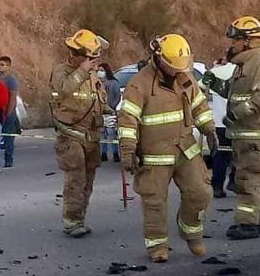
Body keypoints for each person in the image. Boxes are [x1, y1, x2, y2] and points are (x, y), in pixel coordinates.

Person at [120, 35, 218, 263]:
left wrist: (209, 129)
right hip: (154, 155)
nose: (177, 71)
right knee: (154, 203)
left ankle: (191, 232)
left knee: (201, 192)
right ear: (158, 58)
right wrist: (128, 150)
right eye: (173, 67)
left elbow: (199, 105)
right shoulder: (139, 83)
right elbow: (128, 120)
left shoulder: (185, 78)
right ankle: (157, 246)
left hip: (185, 149)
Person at [203, 16, 260, 241]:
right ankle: (258, 220)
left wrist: (237, 113)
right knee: (255, 180)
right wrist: (214, 82)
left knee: (248, 181)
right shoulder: (244, 65)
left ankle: (247, 224)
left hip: (254, 133)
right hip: (246, 133)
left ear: (247, 40)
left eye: (235, 40)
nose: (231, 44)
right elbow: (234, 92)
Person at [50, 29, 110, 238]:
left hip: (91, 136)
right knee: (75, 180)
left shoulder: (92, 76)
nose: (93, 62)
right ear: (77, 55)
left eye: (94, 58)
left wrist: (114, 113)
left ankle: (80, 217)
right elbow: (64, 90)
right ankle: (72, 221)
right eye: (89, 58)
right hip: (71, 135)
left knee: (88, 180)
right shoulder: (62, 71)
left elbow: (97, 101)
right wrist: (82, 71)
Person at [209, 59, 236, 198]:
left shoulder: (215, 72)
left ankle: (217, 186)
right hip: (236, 121)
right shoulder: (240, 72)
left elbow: (200, 85)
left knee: (221, 157)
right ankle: (234, 180)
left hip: (219, 122)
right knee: (239, 154)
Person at [0, 56, 20, 168]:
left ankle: (8, 159)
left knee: (8, 138)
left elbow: (13, 97)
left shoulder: (11, 80)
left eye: (2, 64)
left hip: (8, 113)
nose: (0, 66)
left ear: (8, 66)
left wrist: (9, 113)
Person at [98, 62, 120, 162]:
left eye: (102, 70)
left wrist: (112, 107)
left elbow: (117, 97)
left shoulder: (114, 83)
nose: (99, 72)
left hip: (110, 113)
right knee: (102, 134)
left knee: (111, 134)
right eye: (99, 70)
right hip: (100, 113)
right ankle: (103, 154)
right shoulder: (98, 83)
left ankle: (115, 154)